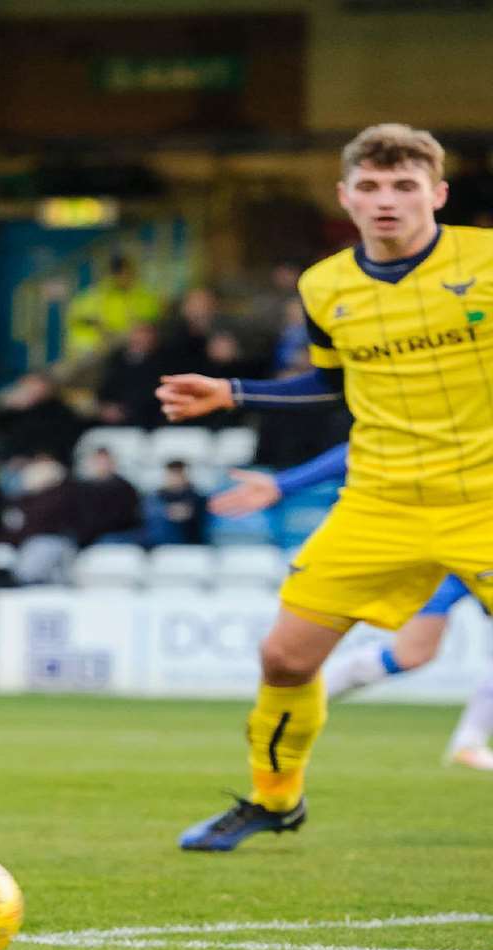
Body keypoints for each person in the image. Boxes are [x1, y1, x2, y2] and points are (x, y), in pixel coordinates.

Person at [156, 123, 493, 851]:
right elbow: (331, 381)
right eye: (370, 187)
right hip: (381, 502)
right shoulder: (326, 284)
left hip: (487, 501)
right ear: (346, 197)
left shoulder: (487, 262)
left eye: (405, 186)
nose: (386, 201)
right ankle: (275, 800)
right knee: (285, 658)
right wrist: (232, 391)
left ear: (438, 193)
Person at [209, 444, 493, 771]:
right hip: (443, 547)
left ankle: (468, 743)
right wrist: (284, 484)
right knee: (412, 654)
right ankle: (297, 706)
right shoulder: (440, 417)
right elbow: (369, 443)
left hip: (478, 541)